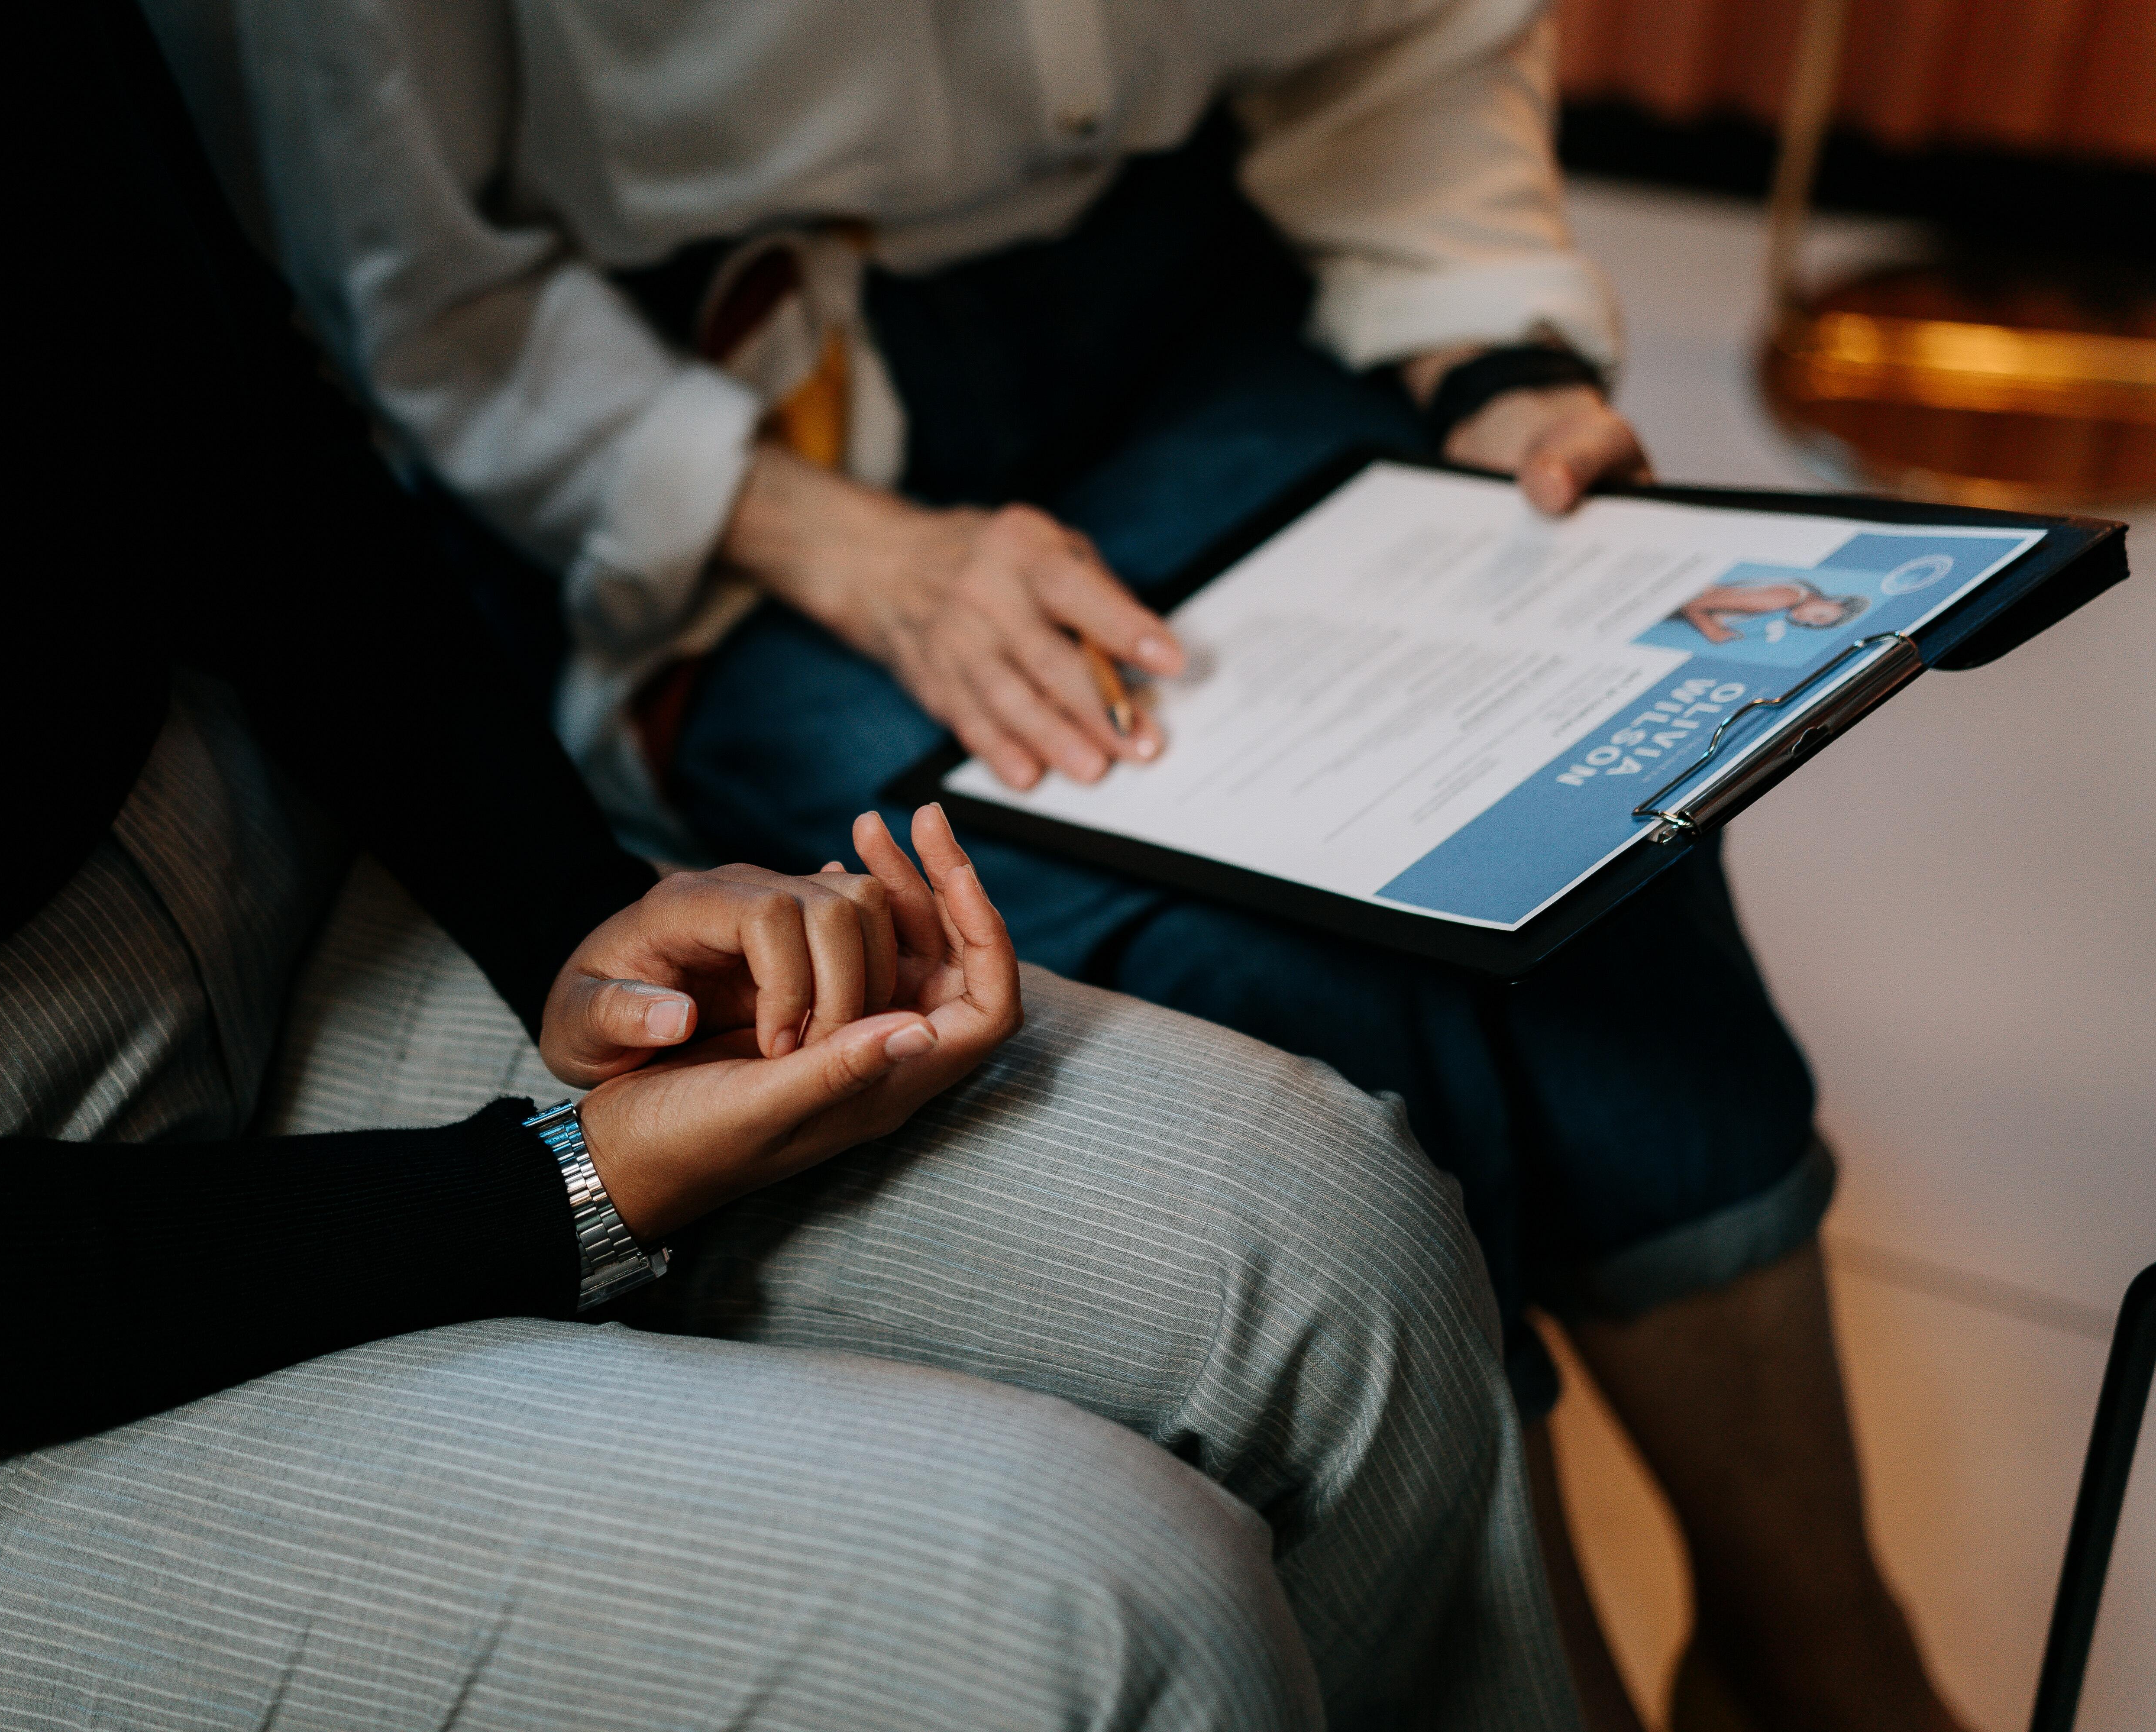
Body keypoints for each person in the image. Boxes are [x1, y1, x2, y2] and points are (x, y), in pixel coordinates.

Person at [0, 6, 1577, 1728]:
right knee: (1093, 1615)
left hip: (242, 876)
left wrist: (569, 914)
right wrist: (551, 1195)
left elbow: (220, 397)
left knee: (1337, 1247)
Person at [132, 3, 1975, 1727]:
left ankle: (1814, 1639)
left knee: (1588, 839)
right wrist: (841, 543)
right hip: (707, 410)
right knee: (1269, 988)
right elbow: (418, 288)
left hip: (1174, 282)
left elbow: (1401, 36)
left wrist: (1491, 358)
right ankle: (1538, 1665)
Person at [1677, 578, 1874, 643]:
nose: (1806, 621)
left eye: (1811, 624)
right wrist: (1715, 633)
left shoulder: (1795, 595)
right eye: (1820, 616)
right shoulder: (1785, 598)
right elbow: (1692, 605)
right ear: (1835, 601)